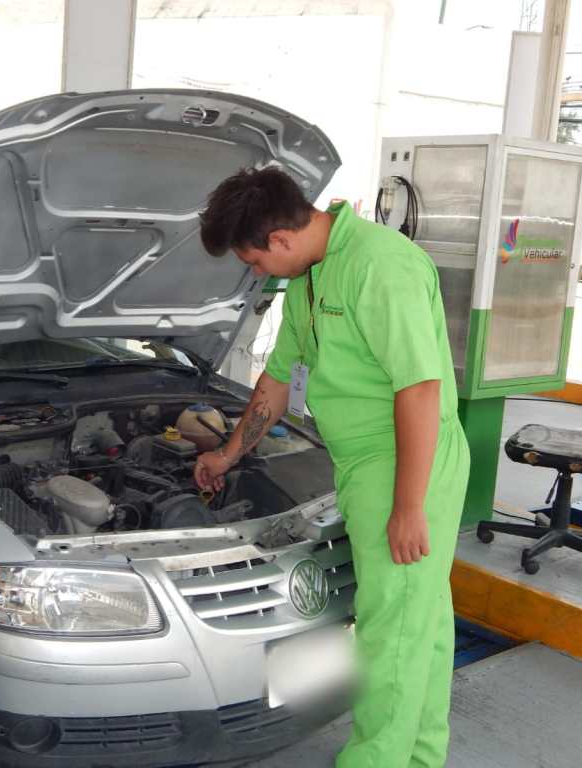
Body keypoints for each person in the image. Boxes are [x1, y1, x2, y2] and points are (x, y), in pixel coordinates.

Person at [195, 167, 470, 768]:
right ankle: (419, 756)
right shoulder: (311, 278)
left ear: (280, 241)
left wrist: (408, 506)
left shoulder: (381, 266)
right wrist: (229, 451)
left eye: (255, 263)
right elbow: (275, 378)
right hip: (361, 460)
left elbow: (421, 390)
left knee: (388, 632)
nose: (258, 275)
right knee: (419, 620)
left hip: (406, 459)